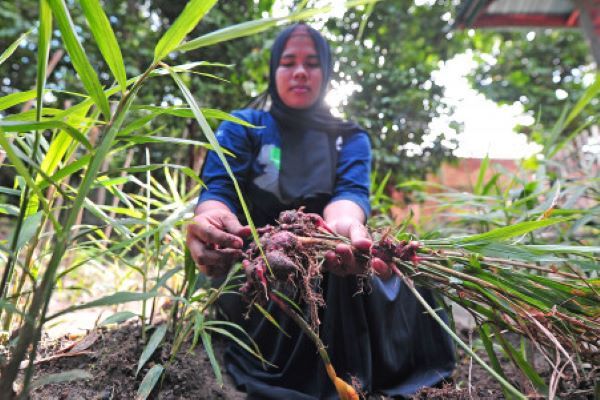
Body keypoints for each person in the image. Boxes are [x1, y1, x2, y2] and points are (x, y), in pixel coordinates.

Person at [186, 23, 455, 399]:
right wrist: (211, 219)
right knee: (281, 280)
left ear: (326, 73)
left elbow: (349, 197)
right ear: (273, 70)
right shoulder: (243, 126)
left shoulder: (349, 137)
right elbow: (219, 190)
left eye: (312, 63)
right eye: (288, 61)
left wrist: (342, 227)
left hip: (327, 251)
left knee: (408, 274)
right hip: (258, 266)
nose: (300, 71)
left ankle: (356, 377)